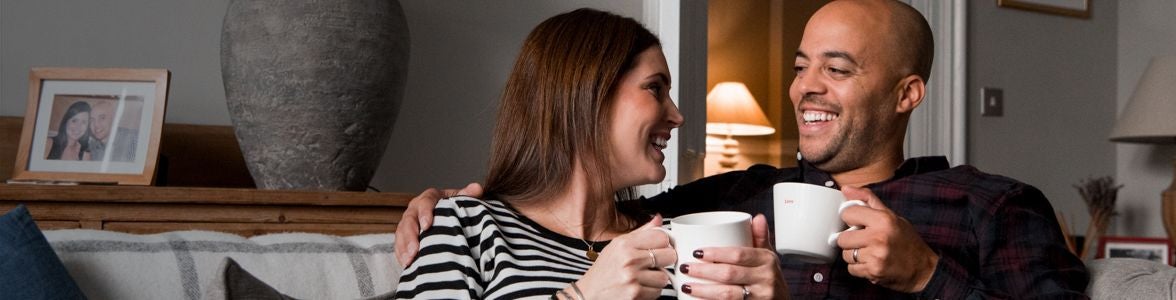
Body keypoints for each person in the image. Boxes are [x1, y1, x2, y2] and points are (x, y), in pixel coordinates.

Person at [395, 1, 1090, 299]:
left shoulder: (989, 205)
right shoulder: (723, 204)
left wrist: (926, 275)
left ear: (907, 94)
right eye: (800, 64)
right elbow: (567, 208)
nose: (804, 88)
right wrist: (458, 201)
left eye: (838, 69)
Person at [393, 8, 786, 299]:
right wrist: (581, 296)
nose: (678, 115)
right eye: (655, 88)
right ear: (588, 94)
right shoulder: (466, 227)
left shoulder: (675, 241)